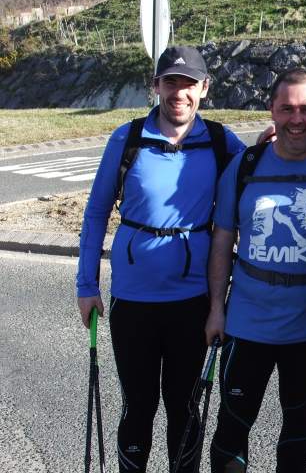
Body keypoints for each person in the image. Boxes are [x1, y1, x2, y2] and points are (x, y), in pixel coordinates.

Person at [76, 45, 246, 472]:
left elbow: (267, 167)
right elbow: (96, 213)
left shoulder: (221, 142)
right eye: (171, 82)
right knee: (138, 406)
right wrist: (86, 285)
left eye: (189, 84)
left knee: (184, 408)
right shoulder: (128, 138)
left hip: (193, 301)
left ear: (204, 88)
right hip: (133, 301)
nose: (179, 93)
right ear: (155, 86)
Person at [206, 68, 306, 472]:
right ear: (271, 109)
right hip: (247, 321)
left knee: (298, 427)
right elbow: (222, 239)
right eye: (286, 108)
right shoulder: (245, 165)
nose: (296, 119)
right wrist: (216, 308)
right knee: (232, 428)